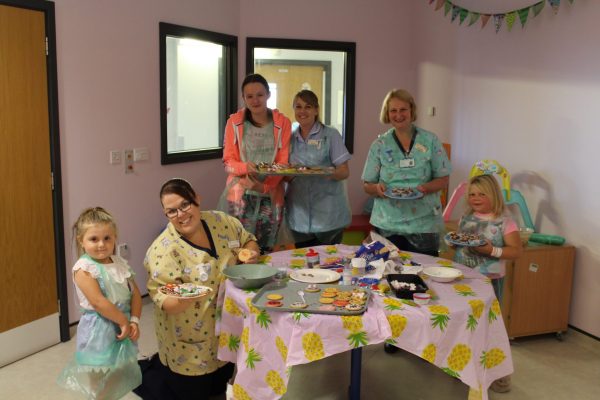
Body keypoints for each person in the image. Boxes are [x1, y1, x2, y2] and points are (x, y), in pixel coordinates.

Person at [141, 178, 259, 400]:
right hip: (189, 345)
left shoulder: (221, 222)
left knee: (220, 388)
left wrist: (251, 253)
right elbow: (165, 302)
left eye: (185, 205)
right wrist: (186, 295)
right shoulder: (162, 251)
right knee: (190, 392)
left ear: (197, 199)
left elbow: (248, 240)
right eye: (172, 211)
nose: (181, 215)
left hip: (227, 331)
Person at [58, 207, 142, 399]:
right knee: (99, 378)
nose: (102, 245)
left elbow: (135, 293)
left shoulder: (119, 262)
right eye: (94, 239)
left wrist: (134, 320)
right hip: (99, 330)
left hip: (123, 326)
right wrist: (123, 321)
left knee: (117, 374)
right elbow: (97, 301)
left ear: (114, 238)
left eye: (107, 238)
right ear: (81, 240)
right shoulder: (84, 268)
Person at [453, 174, 521, 394]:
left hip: (490, 283)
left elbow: (516, 251)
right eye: (472, 194)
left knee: (490, 329)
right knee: (465, 325)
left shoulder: (505, 222)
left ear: (494, 195)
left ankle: (500, 375)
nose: (476, 198)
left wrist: (492, 250)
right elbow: (459, 242)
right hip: (463, 280)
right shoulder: (466, 217)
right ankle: (464, 366)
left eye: (482, 194)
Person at [362, 88, 451, 257]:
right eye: (393, 110)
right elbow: (367, 184)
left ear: (411, 110)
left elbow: (443, 178)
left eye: (403, 109)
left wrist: (424, 188)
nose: (398, 115)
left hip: (424, 223)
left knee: (425, 276)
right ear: (387, 114)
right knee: (387, 275)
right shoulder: (380, 144)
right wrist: (377, 188)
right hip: (387, 223)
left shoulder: (430, 140)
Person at [220, 73, 292, 252]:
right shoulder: (234, 123)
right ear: (243, 98)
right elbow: (228, 162)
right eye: (249, 96)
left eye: (260, 95)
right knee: (238, 247)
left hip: (271, 195)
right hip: (239, 195)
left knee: (268, 247)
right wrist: (245, 167)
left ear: (268, 94)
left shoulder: (282, 123)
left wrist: (264, 186)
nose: (255, 100)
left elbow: (283, 162)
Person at [285, 89, 352, 247]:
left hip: (328, 215)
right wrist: (288, 173)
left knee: (329, 265)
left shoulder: (330, 135)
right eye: (298, 106)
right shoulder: (290, 138)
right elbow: (286, 175)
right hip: (299, 215)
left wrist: (325, 172)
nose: (302, 111)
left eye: (308, 106)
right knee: (303, 266)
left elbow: (344, 171)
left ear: (316, 110)